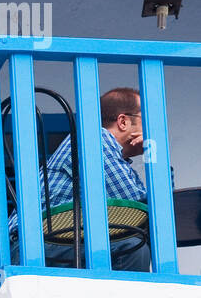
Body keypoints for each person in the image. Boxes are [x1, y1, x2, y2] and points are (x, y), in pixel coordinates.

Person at [9, 87, 151, 272]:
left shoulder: (114, 156)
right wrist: (153, 151)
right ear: (123, 121)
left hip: (55, 240)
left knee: (131, 244)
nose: (150, 129)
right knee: (132, 248)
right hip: (31, 246)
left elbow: (154, 210)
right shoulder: (95, 141)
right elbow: (140, 204)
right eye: (146, 119)